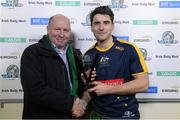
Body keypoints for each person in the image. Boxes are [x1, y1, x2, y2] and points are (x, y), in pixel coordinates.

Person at [82, 6, 149, 119]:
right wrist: (83, 100)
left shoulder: (129, 49)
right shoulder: (88, 55)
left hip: (126, 115)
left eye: (106, 22)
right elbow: (89, 90)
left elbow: (143, 84)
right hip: (97, 115)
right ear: (92, 28)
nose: (101, 27)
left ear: (112, 26)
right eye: (97, 23)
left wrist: (108, 89)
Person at [20, 14, 85, 119]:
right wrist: (70, 103)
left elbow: (76, 86)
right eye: (57, 29)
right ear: (48, 29)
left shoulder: (74, 54)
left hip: (72, 115)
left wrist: (84, 81)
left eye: (66, 30)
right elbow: (35, 90)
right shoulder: (32, 53)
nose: (62, 34)